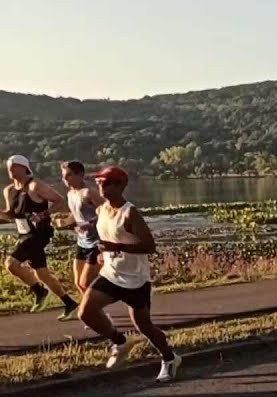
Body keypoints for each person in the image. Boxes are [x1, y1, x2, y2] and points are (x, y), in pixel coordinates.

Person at [75, 166, 181, 382]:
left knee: (144, 326)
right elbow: (104, 235)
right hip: (110, 274)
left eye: (107, 183)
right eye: (99, 184)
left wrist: (116, 247)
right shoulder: (102, 209)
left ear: (121, 185)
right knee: (85, 312)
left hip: (135, 280)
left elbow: (149, 246)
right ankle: (120, 341)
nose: (102, 187)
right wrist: (99, 250)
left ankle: (169, 358)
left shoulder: (130, 213)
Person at [2, 155, 78, 318]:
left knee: (11, 263)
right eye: (9, 166)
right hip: (24, 234)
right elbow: (10, 215)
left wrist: (43, 214)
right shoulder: (9, 190)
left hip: (39, 233)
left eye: (14, 166)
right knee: (42, 274)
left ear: (24, 167)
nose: (10, 169)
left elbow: (60, 201)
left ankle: (39, 291)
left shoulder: (35, 185)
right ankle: (69, 302)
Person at [57, 160, 103, 312]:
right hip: (82, 242)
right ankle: (93, 313)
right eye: (64, 176)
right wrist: (64, 222)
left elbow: (108, 212)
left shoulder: (89, 193)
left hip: (96, 243)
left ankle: (95, 313)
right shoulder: (70, 194)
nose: (66, 179)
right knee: (78, 283)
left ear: (80, 175)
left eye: (69, 175)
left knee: (86, 283)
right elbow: (76, 215)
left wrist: (90, 223)